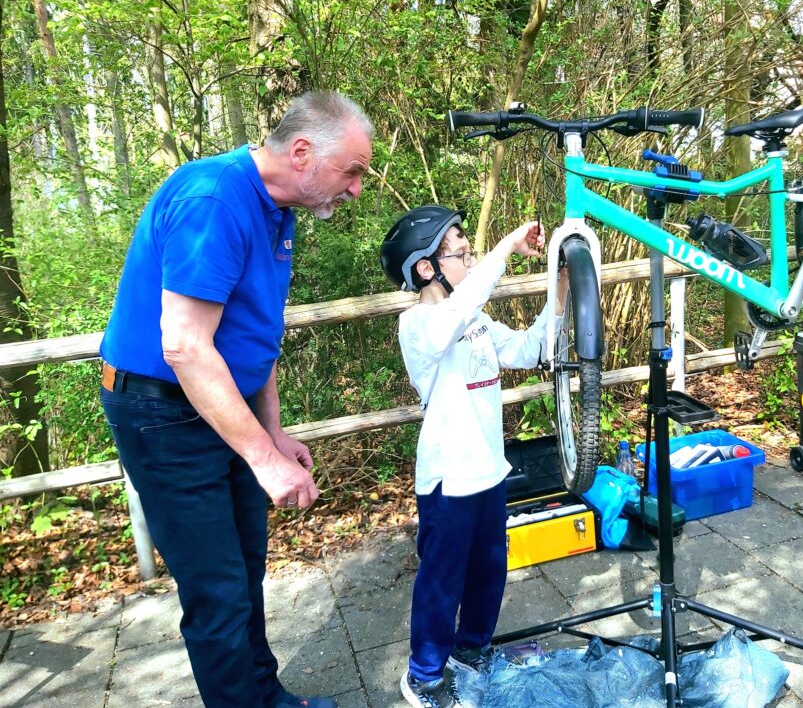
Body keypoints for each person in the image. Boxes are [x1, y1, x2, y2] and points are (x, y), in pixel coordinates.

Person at [99, 91, 372, 708]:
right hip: (162, 413)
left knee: (246, 570)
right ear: (302, 152)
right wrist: (262, 457)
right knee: (217, 592)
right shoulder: (214, 198)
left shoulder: (279, 210)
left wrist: (271, 435)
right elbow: (187, 347)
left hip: (221, 403)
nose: (356, 189)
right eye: (351, 171)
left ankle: (263, 697)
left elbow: (251, 341)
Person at [379, 206, 567, 708]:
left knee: (490, 569)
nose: (470, 257)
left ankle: (473, 649)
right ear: (426, 267)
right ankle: (423, 676)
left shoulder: (477, 321)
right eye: (461, 252)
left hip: (488, 469)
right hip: (447, 477)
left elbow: (531, 349)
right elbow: (454, 315)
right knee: (443, 579)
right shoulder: (417, 324)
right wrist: (507, 246)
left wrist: (561, 287)